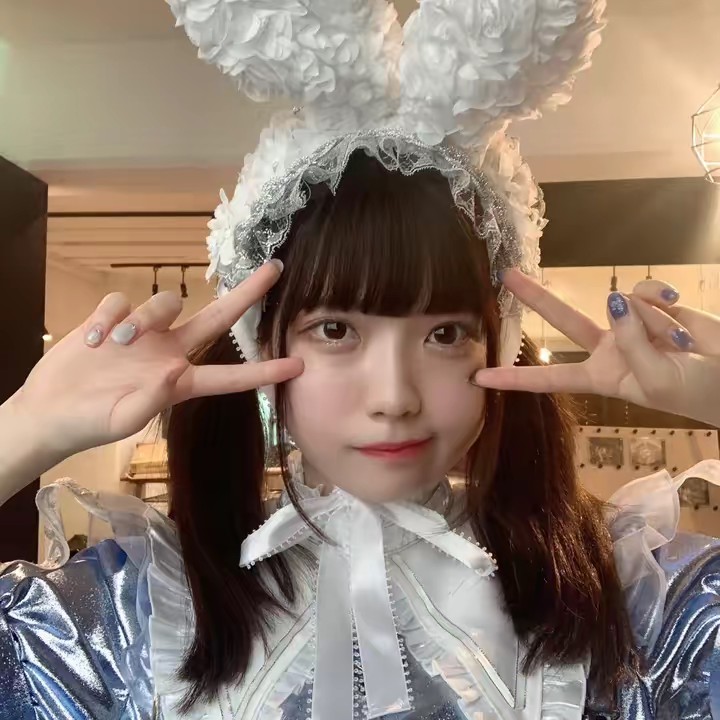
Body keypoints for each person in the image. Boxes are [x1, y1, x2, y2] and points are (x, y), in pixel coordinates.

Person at [3, 1, 720, 719]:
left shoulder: (628, 597)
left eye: (446, 334)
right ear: (263, 344)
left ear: (501, 345)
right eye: (336, 329)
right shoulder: (136, 611)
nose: (394, 397)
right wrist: (25, 427)